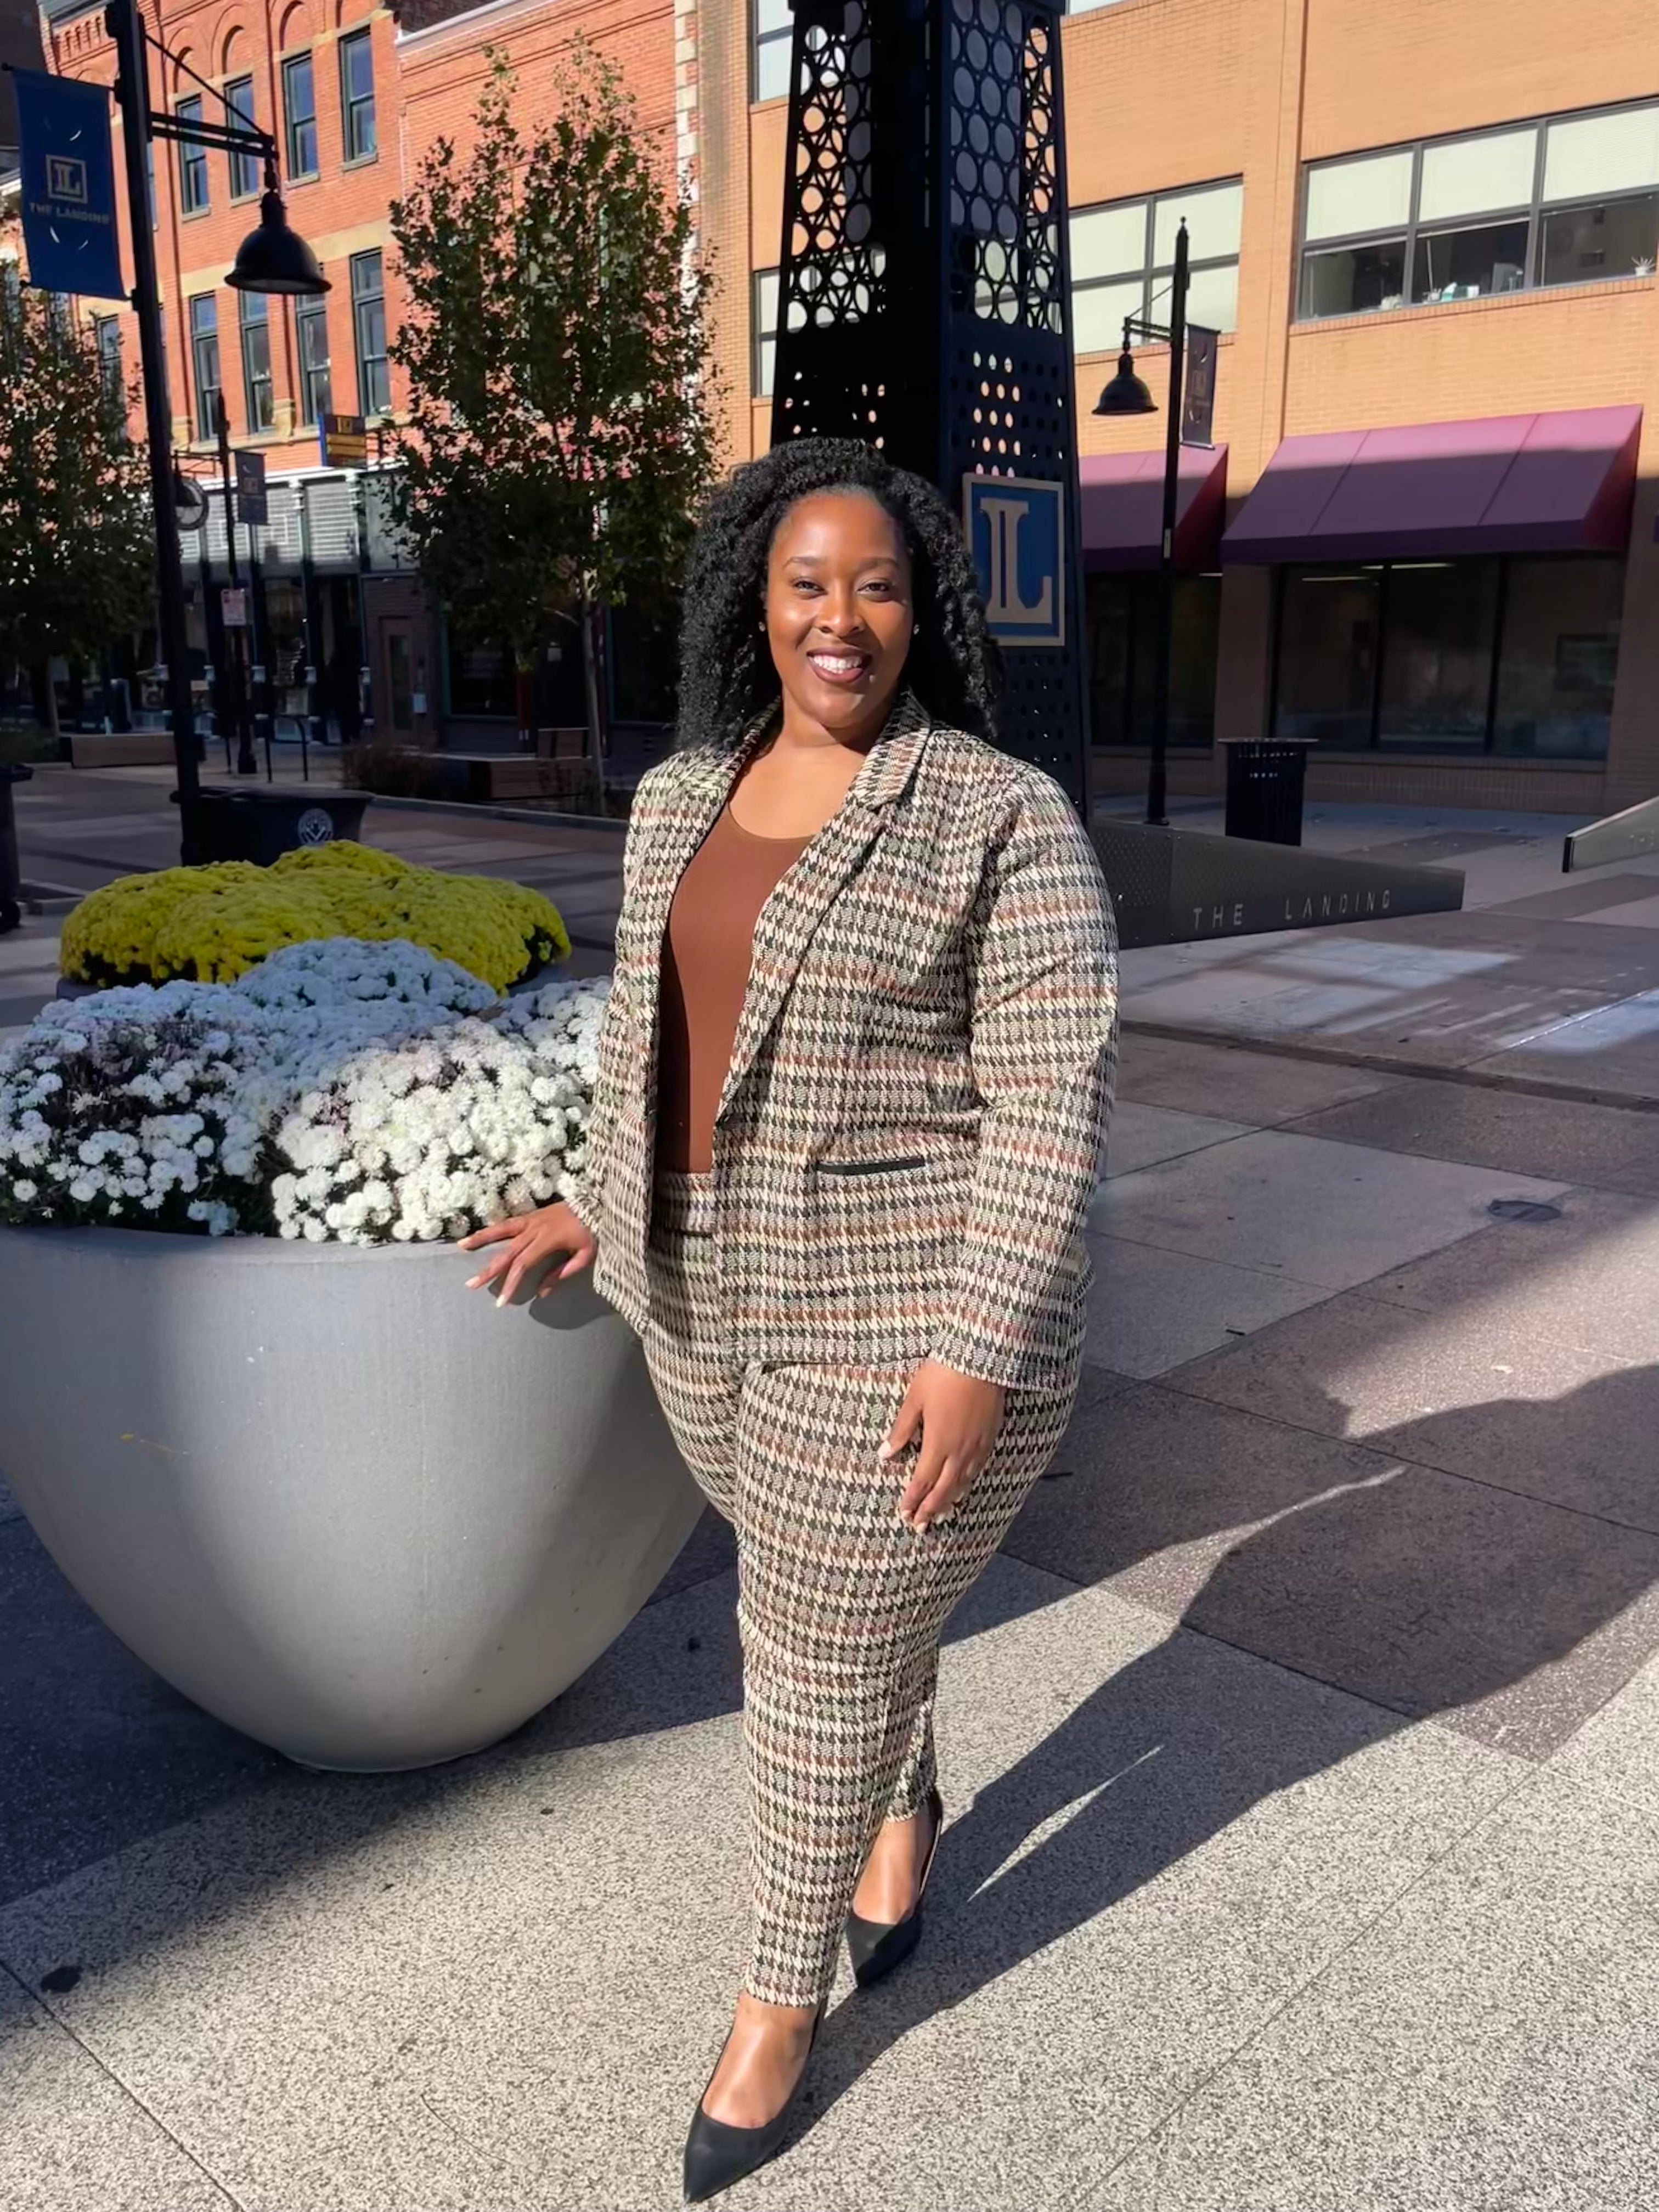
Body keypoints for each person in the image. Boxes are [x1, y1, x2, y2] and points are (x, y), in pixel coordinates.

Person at [459, 436, 1118, 2199]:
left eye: (880, 585)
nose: (846, 616)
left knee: (810, 1663)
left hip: (910, 1330)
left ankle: (776, 2002)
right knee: (832, 1609)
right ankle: (907, 1809)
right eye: (810, 582)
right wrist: (599, 1206)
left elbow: (1053, 1098)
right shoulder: (679, 797)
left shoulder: (996, 813)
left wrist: (977, 1346)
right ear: (756, 601)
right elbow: (648, 1036)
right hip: (709, 1316)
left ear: (923, 613)